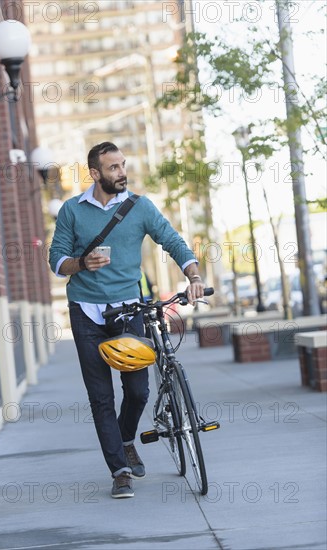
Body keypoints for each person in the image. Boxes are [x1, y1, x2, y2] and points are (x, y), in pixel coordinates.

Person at [49, 142, 205, 499]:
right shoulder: (73, 210)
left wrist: (193, 277)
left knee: (138, 391)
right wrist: (81, 263)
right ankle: (120, 470)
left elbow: (173, 241)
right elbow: (56, 260)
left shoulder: (140, 207)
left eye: (122, 165)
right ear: (95, 174)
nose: (122, 173)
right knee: (100, 396)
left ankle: (125, 438)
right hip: (86, 311)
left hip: (129, 310)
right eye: (114, 168)